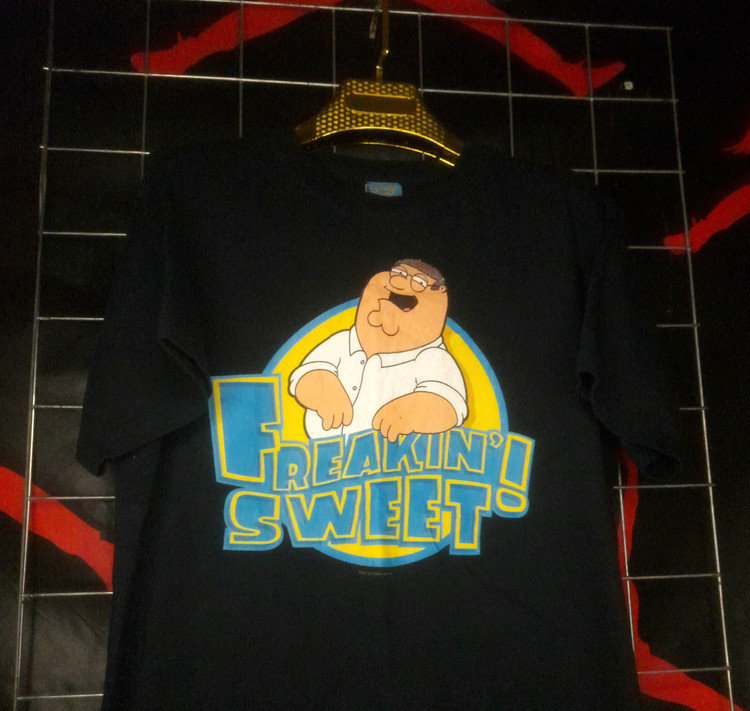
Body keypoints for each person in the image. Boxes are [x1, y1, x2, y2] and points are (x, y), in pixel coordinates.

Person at [289, 259, 467, 441]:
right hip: (321, 453)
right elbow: (308, 372)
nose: (401, 283)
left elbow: (448, 403)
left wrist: (410, 411)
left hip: (389, 457)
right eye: (399, 273)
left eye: (419, 282)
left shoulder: (433, 358)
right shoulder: (342, 341)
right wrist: (323, 388)